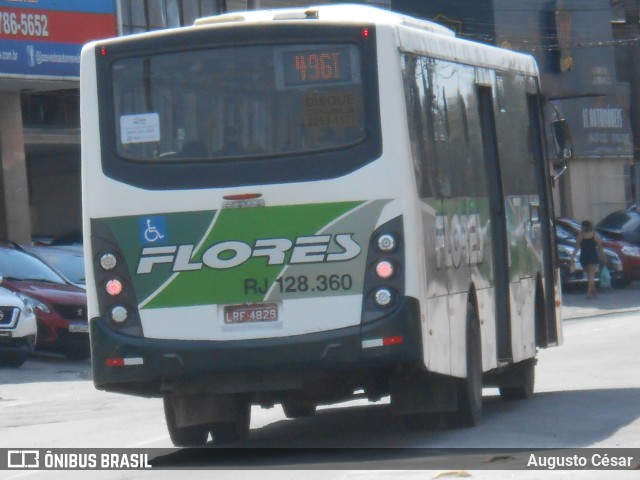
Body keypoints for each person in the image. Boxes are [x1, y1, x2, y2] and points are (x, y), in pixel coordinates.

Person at [571, 220, 604, 299]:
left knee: (590, 275)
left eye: (582, 226)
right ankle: (594, 292)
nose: (581, 227)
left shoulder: (580, 236)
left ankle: (588, 293)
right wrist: (603, 257)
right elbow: (600, 247)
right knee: (590, 276)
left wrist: (572, 257)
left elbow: (577, 248)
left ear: (585, 226)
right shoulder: (595, 235)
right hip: (593, 256)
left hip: (584, 256)